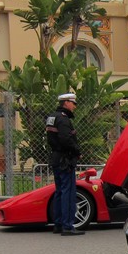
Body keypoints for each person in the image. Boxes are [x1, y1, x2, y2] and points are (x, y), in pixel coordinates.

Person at [46, 93, 84, 236]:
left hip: (56, 158)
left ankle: (58, 224)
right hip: (65, 159)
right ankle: (67, 226)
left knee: (60, 191)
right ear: (66, 103)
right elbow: (66, 139)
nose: (74, 106)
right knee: (68, 192)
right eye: (73, 103)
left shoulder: (52, 117)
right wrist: (77, 151)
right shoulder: (63, 119)